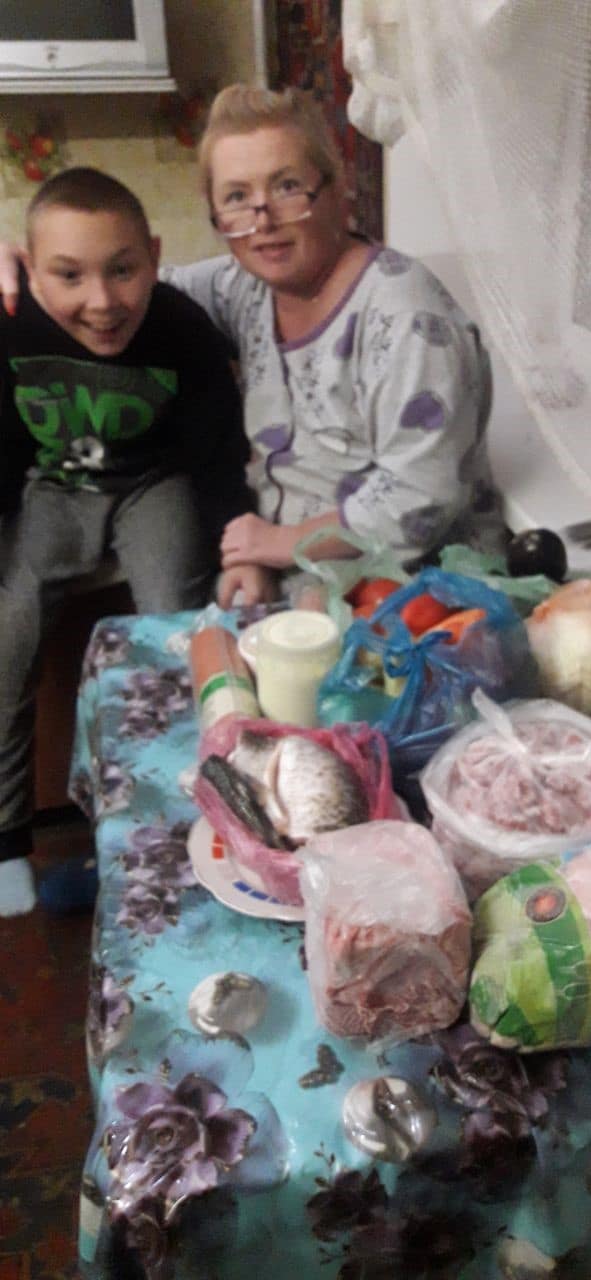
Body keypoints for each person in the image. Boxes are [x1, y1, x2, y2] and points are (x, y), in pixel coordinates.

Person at [0, 167, 252, 917]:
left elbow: (217, 455)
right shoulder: (10, 323)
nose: (103, 303)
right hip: (55, 486)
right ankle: (9, 839)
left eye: (122, 271)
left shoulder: (182, 329)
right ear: (29, 267)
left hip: (155, 483)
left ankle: (181, 825)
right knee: (9, 634)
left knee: (177, 625)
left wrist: (237, 548)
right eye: (69, 276)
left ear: (154, 254)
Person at [161, 84, 504, 608]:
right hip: (286, 574)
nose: (262, 220)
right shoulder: (244, 288)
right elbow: (132, 290)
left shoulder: (406, 317)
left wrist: (280, 545)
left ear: (336, 184)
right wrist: (31, 271)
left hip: (415, 594)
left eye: (287, 187)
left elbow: (420, 499)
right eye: (236, 198)